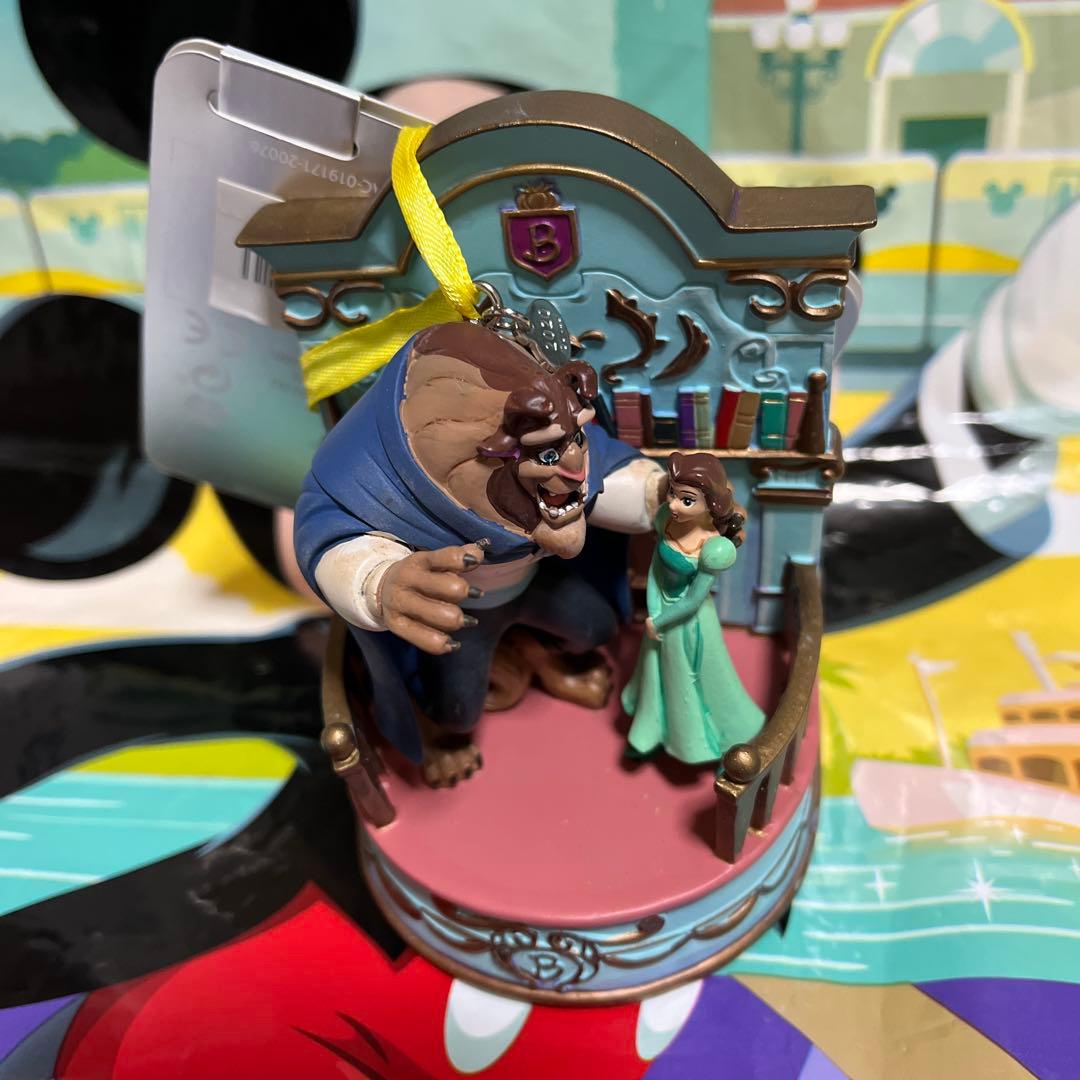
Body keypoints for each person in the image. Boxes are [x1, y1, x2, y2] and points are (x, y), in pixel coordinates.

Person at [622, 452, 764, 764]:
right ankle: (649, 732)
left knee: (687, 680)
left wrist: (660, 620)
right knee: (654, 674)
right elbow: (656, 568)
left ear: (711, 504)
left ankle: (709, 742)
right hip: (658, 610)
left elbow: (694, 600)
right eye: (673, 494)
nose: (674, 505)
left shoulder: (712, 547)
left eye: (686, 500)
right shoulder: (666, 519)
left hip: (688, 623)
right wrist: (653, 608)